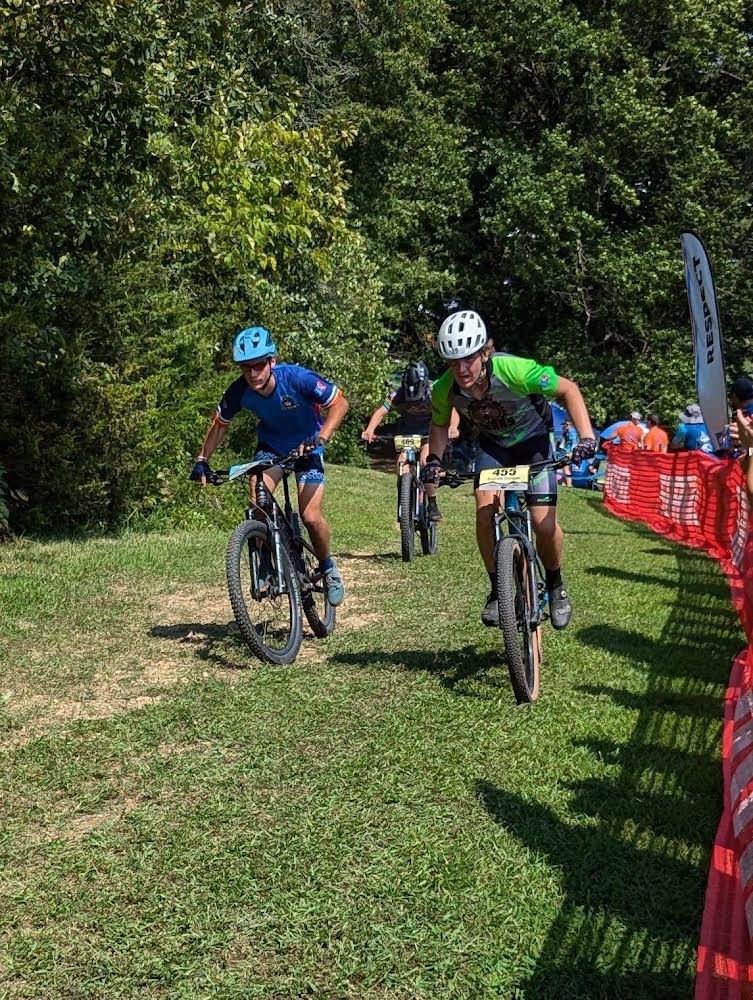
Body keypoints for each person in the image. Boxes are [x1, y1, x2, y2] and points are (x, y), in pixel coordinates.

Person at [422, 309, 597, 630]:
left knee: (544, 526)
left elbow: (569, 389)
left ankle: (556, 586)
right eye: (453, 361)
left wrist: (587, 437)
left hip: (534, 444)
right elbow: (438, 424)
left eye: (469, 359)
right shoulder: (443, 388)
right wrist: (433, 461)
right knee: (484, 511)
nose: (461, 369)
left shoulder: (515, 370)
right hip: (494, 448)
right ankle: (497, 590)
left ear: (484, 353)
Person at [190, 326, 349, 605]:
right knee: (257, 502)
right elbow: (219, 425)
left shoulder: (297, 378)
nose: (253, 374)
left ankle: (327, 567)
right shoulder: (239, 391)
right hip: (271, 448)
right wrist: (203, 460)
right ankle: (265, 556)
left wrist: (321, 436)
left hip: (307, 446)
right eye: (246, 368)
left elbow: (340, 402)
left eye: (259, 365)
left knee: (310, 517)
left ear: (272, 361)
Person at [361, 361, 457, 522]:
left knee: (427, 462)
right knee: (402, 463)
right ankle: (405, 498)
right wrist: (370, 430)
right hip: (407, 433)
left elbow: (452, 409)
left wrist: (453, 426)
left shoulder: (435, 391)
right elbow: (381, 412)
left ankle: (432, 503)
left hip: (429, 431)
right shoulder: (396, 395)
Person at [556, 419, 578, 486]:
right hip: (565, 451)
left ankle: (569, 485)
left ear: (570, 425)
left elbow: (574, 443)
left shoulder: (572, 432)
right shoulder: (567, 432)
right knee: (564, 468)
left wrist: (571, 453)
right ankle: (564, 483)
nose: (564, 426)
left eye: (566, 424)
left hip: (569, 452)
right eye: (564, 424)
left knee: (566, 468)